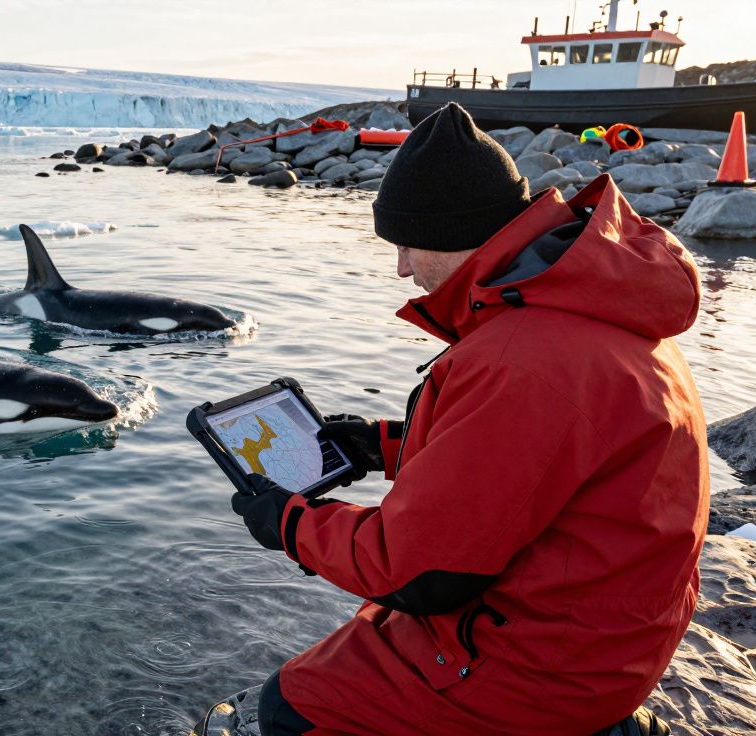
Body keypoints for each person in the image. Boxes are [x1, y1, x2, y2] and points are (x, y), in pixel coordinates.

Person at [230, 103, 708, 736]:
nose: (402, 268)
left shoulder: (522, 357)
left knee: (292, 707)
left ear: (454, 234)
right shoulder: (593, 301)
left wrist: (290, 524)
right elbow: (537, 456)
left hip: (547, 666)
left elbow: (417, 574)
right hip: (611, 635)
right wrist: (382, 446)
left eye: (406, 245)